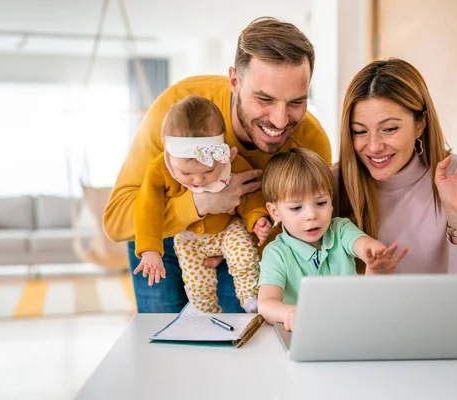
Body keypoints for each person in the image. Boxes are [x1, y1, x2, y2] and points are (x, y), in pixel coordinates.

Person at [104, 17, 331, 313]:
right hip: (167, 237)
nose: (280, 120)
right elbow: (117, 219)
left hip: (245, 239)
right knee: (163, 334)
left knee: (242, 334)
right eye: (264, 99)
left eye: (297, 102)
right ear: (234, 81)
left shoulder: (310, 140)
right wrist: (201, 203)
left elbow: (315, 224)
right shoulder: (177, 111)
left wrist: (248, 237)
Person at [334, 58, 457, 274]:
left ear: (420, 124)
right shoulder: (331, 183)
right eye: (359, 131)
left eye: (389, 129)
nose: (374, 146)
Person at [133, 95, 272, 313]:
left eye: (208, 171)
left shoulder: (230, 162)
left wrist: (257, 217)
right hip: (189, 238)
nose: (197, 180)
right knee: (197, 284)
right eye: (187, 173)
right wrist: (150, 250)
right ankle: (206, 313)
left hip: (227, 229)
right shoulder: (159, 170)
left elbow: (251, 192)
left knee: (244, 256)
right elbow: (147, 209)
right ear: (170, 157)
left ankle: (250, 298)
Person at [257, 148, 408, 331]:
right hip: (306, 332)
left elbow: (366, 245)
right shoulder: (276, 253)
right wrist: (290, 313)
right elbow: (266, 303)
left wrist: (377, 258)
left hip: (353, 327)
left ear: (331, 200)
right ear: (275, 212)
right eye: (297, 208)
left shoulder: (340, 229)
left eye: (321, 203)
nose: (311, 215)